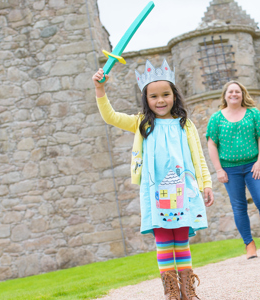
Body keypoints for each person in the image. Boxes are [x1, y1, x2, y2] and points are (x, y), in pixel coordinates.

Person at [92, 59, 213, 300]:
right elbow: (111, 117)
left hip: (184, 189)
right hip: (156, 192)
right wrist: (100, 90)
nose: (160, 101)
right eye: (154, 96)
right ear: (146, 100)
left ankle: (187, 290)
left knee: (181, 238)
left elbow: (198, 156)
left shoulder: (185, 124)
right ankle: (171, 291)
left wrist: (206, 183)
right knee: (163, 240)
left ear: (174, 96)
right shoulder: (142, 124)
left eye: (166, 94)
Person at [206, 81, 260, 259]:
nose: (234, 94)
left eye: (237, 91)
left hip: (252, 166)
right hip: (229, 169)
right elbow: (212, 144)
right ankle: (249, 244)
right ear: (225, 95)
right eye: (230, 92)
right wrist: (218, 169)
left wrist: (259, 162)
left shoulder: (253, 113)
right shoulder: (216, 118)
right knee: (239, 207)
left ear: (243, 94)